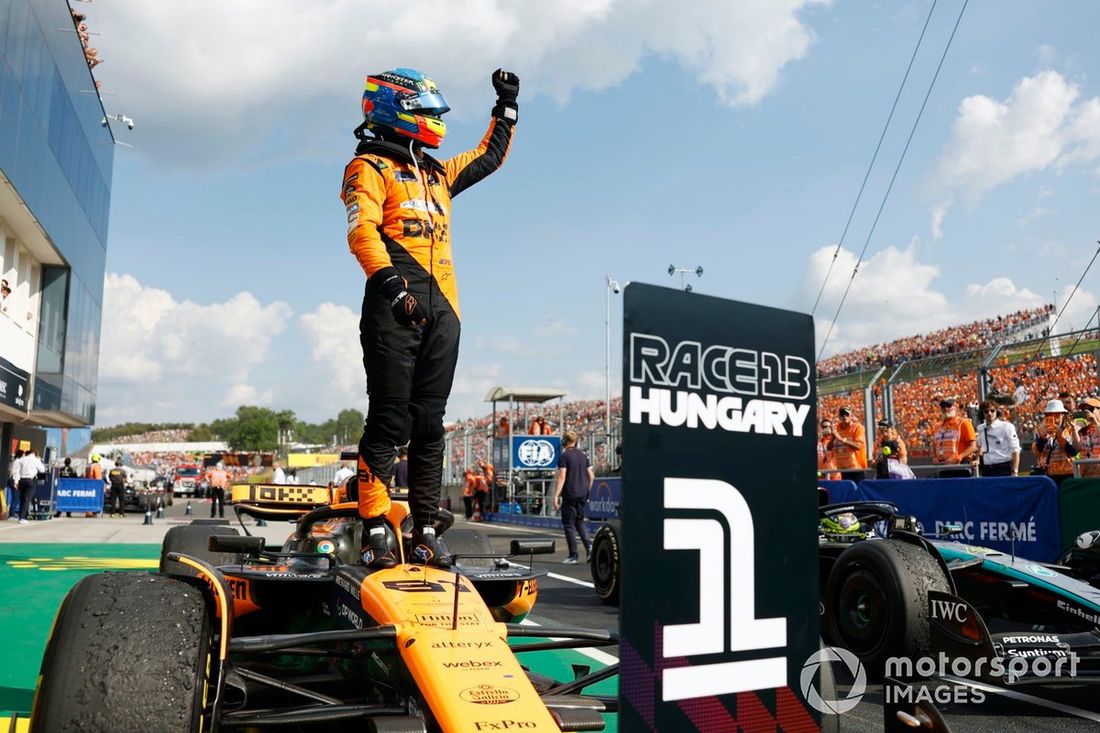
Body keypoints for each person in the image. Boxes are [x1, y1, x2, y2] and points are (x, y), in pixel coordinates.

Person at [343, 67, 518, 568]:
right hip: (393, 302)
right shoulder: (368, 167)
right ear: (395, 109)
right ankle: (375, 523)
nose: (436, 122)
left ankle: (422, 527)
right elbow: (362, 234)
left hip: (445, 309)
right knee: (390, 417)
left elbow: (489, 157)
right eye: (427, 111)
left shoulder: (438, 173)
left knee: (430, 424)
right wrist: (392, 285)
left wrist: (506, 104)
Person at [551, 431, 594, 564]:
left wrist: (556, 495)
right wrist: (587, 491)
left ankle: (573, 555)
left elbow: (562, 477)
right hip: (582, 494)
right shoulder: (583, 456)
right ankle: (589, 547)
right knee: (579, 522)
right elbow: (591, 476)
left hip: (570, 493)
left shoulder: (564, 456)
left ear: (564, 442)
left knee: (569, 524)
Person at [1032, 399, 1081, 486]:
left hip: (1068, 474)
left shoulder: (1069, 430)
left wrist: (1059, 436)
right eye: (1050, 415)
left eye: (1057, 415)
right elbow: (1037, 452)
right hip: (1048, 475)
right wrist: (1042, 437)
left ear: (1063, 415)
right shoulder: (1040, 430)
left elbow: (1073, 452)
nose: (1054, 418)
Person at [975, 400, 1021, 477]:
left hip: (1004, 468)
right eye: (986, 411)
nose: (989, 413)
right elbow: (979, 447)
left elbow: (1015, 450)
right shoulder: (980, 428)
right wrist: (977, 459)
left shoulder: (1007, 427)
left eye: (992, 410)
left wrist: (1015, 471)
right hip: (987, 469)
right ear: (982, 413)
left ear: (997, 411)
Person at [931, 398, 977, 468]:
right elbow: (934, 447)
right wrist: (933, 458)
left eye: (949, 406)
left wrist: (959, 457)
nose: (945, 408)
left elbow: (973, 446)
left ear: (955, 407)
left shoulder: (964, 423)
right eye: (943, 406)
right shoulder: (937, 426)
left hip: (961, 465)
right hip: (942, 466)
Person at [831, 407, 867, 472]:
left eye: (847, 414)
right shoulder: (836, 428)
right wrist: (833, 438)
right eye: (842, 414)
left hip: (856, 468)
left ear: (851, 416)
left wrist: (842, 440)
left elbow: (858, 446)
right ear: (839, 417)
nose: (844, 416)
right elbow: (829, 448)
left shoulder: (857, 427)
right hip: (841, 468)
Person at [15, 449, 47, 523]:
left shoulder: (22, 459)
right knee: (27, 499)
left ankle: (21, 515)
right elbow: (42, 470)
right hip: (30, 480)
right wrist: (39, 460)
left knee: (22, 499)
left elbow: (17, 471)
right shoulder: (36, 460)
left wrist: (16, 482)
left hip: (22, 480)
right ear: (35, 454)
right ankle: (22, 517)